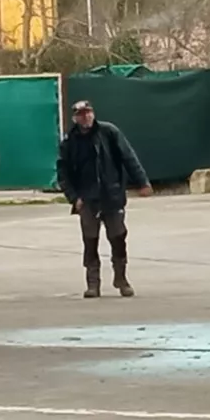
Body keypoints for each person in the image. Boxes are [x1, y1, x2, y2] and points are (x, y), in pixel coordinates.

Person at [56, 100, 151, 299]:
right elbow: (63, 172)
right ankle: (93, 283)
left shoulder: (109, 132)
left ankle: (121, 278)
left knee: (118, 237)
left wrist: (142, 181)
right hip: (87, 199)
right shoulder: (69, 141)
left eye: (88, 112)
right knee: (90, 241)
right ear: (75, 118)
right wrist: (74, 198)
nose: (86, 117)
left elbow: (128, 157)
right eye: (81, 114)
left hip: (112, 195)